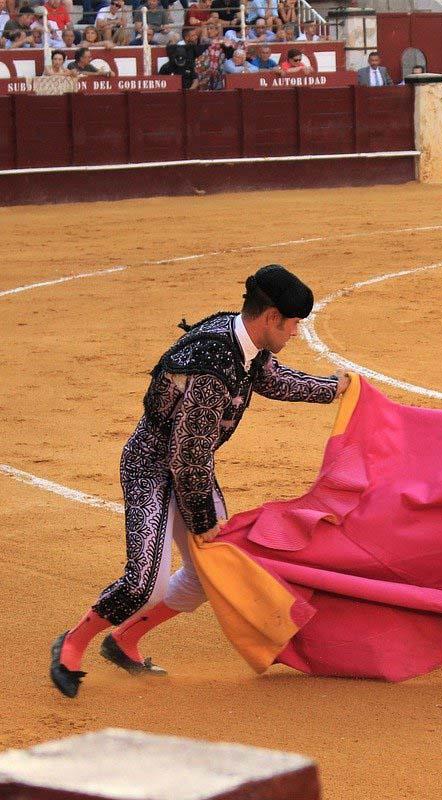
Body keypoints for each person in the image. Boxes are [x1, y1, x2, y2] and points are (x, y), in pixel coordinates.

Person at [50, 267, 351, 699]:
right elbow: (185, 454)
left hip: (189, 469)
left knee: (210, 575)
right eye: (293, 324)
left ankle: (124, 641)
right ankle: (73, 644)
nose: (296, 332)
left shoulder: (238, 335)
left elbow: (267, 376)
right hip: (151, 468)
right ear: (270, 318)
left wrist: (329, 389)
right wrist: (203, 517)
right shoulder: (214, 368)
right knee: (143, 582)